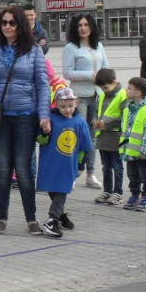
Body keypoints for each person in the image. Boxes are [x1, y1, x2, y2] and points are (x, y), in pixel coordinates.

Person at [0, 6, 50, 235]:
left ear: (20, 24)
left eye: (12, 22)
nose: (7, 26)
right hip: (1, 118)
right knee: (2, 169)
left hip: (26, 116)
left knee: (24, 169)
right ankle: (2, 217)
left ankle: (31, 219)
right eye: (4, 23)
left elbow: (42, 84)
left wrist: (44, 115)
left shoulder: (34, 50)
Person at [36, 88, 93, 237]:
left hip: (68, 165)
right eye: (63, 107)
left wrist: (81, 165)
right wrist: (44, 133)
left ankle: (52, 219)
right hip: (51, 163)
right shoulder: (51, 119)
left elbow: (84, 147)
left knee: (62, 190)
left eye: (70, 106)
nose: (67, 110)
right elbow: (40, 140)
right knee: (53, 189)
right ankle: (60, 216)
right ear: (56, 105)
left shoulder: (80, 122)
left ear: (76, 103)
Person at [61, 12, 108, 189]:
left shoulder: (99, 46)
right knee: (77, 136)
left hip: (96, 96)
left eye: (86, 25)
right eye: (79, 25)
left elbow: (105, 67)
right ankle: (72, 173)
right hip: (78, 97)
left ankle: (91, 174)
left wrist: (106, 80)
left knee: (93, 136)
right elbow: (67, 73)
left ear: (91, 27)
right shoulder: (71, 48)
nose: (83, 28)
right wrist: (90, 75)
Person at [120, 77, 146, 211]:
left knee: (145, 175)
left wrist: (145, 152)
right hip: (130, 151)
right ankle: (134, 195)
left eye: (129, 88)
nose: (126, 90)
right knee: (132, 175)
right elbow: (125, 131)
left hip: (142, 153)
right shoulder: (127, 109)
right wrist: (122, 149)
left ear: (138, 93)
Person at [92, 69, 126, 206]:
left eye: (105, 87)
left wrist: (108, 124)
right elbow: (96, 111)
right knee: (106, 166)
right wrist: (94, 120)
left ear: (114, 82)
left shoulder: (123, 96)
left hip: (116, 137)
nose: (104, 90)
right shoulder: (102, 96)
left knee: (117, 166)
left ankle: (118, 192)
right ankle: (107, 190)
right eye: (101, 88)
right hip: (103, 137)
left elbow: (125, 118)